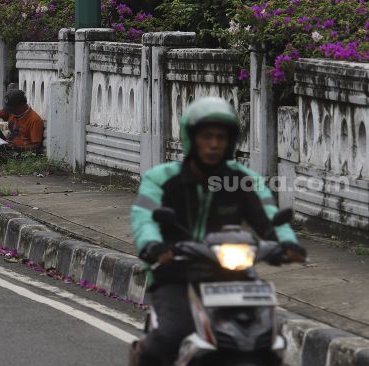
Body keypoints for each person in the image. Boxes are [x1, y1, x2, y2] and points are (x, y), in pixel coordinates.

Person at [128, 97, 307, 365]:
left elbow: (271, 219)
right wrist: (153, 246)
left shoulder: (244, 180)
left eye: (221, 137)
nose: (214, 144)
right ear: (192, 138)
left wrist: (288, 245)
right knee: (167, 340)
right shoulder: (161, 178)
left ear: (230, 142)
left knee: (267, 342)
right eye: (206, 136)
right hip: (177, 275)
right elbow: (145, 218)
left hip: (235, 278)